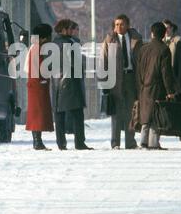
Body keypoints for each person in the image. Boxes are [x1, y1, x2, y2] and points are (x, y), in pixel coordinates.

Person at [100, 14, 142, 150]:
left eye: (122, 24)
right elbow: (103, 61)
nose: (119, 27)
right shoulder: (109, 40)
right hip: (115, 79)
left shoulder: (136, 39)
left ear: (128, 25)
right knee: (116, 112)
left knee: (131, 110)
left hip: (130, 77)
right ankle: (115, 142)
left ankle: (130, 142)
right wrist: (104, 82)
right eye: (116, 24)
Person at [52, 19, 93, 151]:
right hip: (71, 81)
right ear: (63, 29)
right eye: (69, 28)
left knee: (60, 113)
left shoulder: (55, 43)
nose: (72, 31)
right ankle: (79, 142)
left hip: (58, 81)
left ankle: (61, 142)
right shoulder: (69, 43)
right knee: (77, 113)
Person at [137, 22, 177, 150]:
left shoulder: (143, 48)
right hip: (157, 87)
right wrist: (170, 90)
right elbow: (166, 72)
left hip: (144, 86)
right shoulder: (164, 49)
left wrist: (139, 85)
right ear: (164, 34)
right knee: (156, 115)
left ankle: (143, 141)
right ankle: (153, 142)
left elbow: (138, 70)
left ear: (152, 33)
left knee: (145, 114)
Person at [26, 24, 54, 150]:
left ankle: (37, 141)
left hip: (36, 85)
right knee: (38, 115)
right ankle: (37, 142)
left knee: (37, 114)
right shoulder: (37, 49)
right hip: (38, 85)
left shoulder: (35, 47)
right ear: (44, 38)